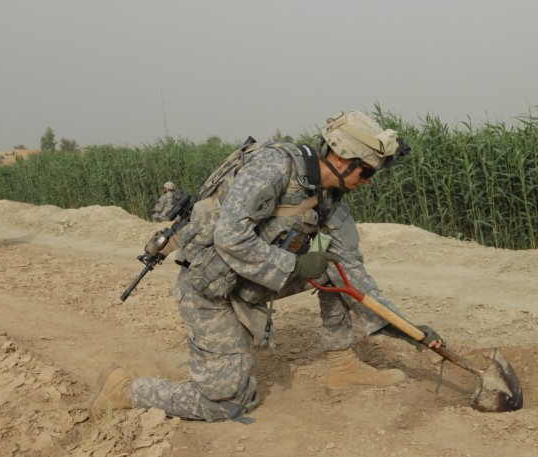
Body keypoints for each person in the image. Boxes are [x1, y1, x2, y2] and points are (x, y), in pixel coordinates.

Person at [88, 111, 443, 423]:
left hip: (249, 282)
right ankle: (127, 391)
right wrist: (294, 263)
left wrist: (400, 326)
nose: (366, 181)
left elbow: (352, 271)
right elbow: (230, 237)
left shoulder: (329, 201)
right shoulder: (276, 167)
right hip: (211, 292)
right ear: (341, 155)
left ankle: (343, 366)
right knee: (228, 403)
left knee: (332, 266)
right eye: (365, 171)